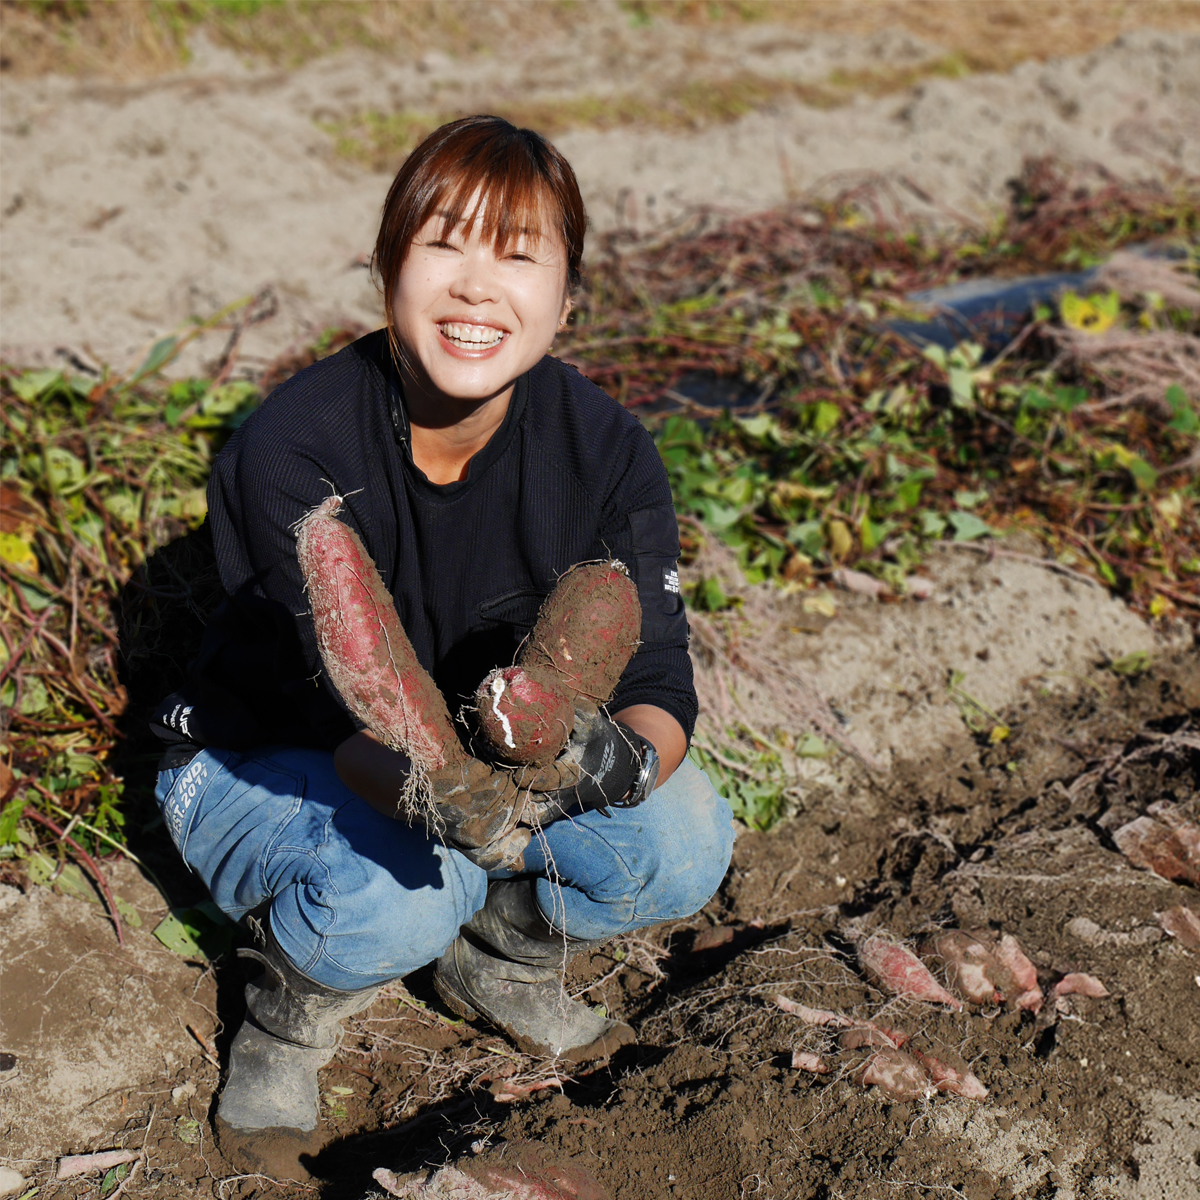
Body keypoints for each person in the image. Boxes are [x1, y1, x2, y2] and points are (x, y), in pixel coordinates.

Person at [150, 115, 734, 1180]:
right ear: (386, 269)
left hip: (481, 761)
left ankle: (498, 958)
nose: (477, 288)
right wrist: (444, 800)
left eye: (518, 257)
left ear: (565, 301)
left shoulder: (605, 451)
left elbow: (655, 681)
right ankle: (288, 1013)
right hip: (275, 754)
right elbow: (335, 711)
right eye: (444, 246)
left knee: (684, 841)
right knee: (402, 894)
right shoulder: (292, 451)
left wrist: (606, 767)